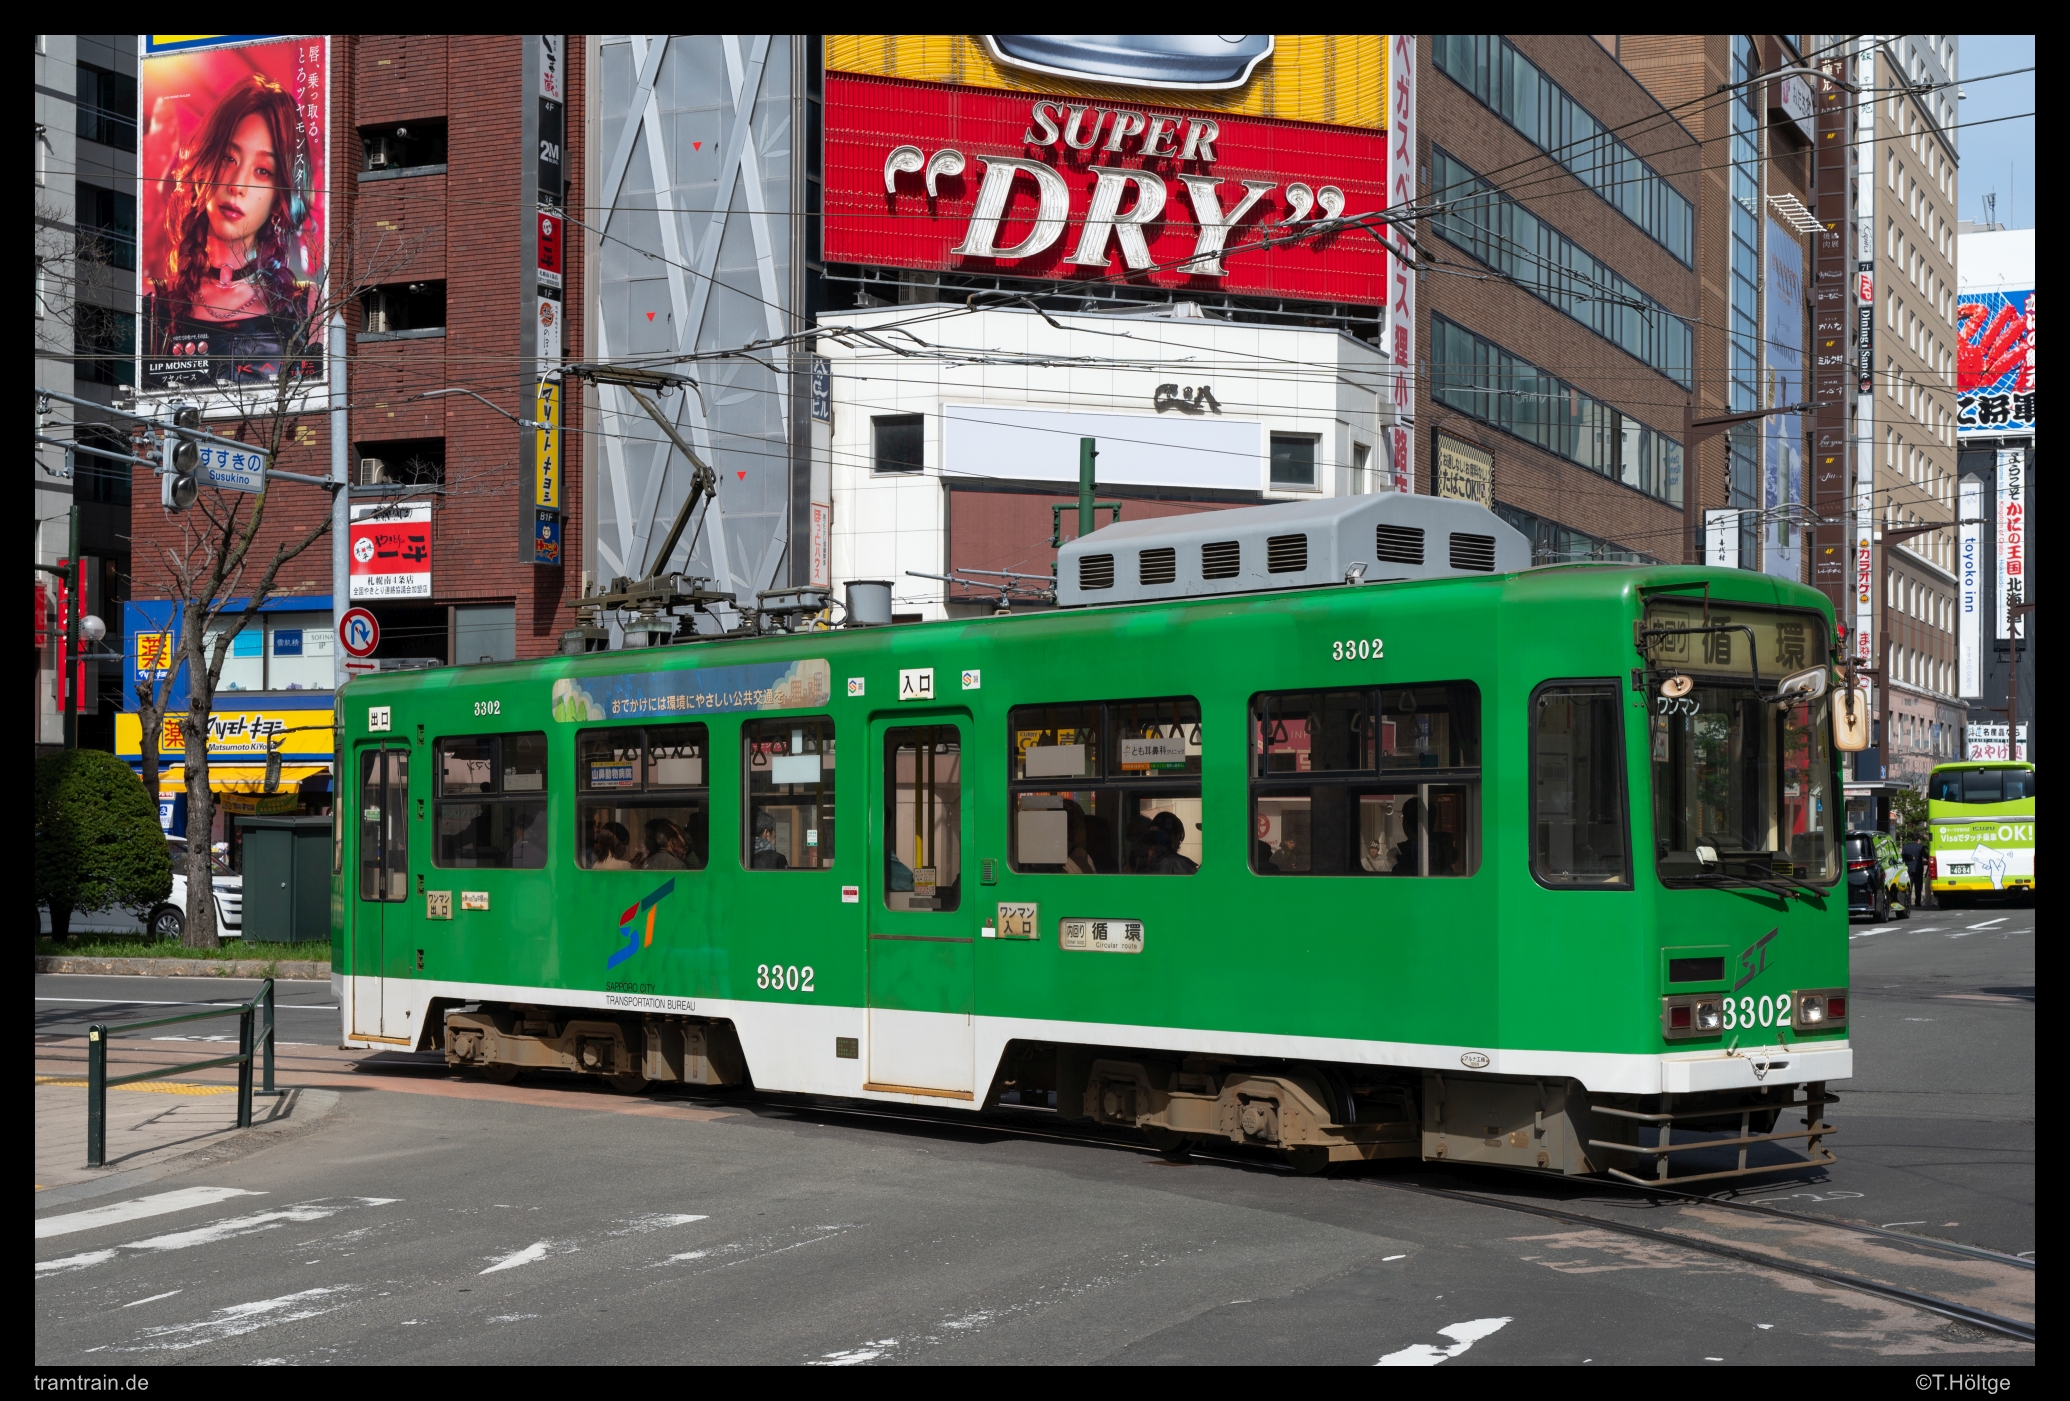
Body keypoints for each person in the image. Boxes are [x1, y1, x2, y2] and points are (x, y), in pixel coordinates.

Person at [142, 74, 321, 389]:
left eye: (262, 171)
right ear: (204, 165)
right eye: (228, 158)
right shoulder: (154, 303)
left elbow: (320, 406)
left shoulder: (306, 306)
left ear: (279, 198)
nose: (237, 185)